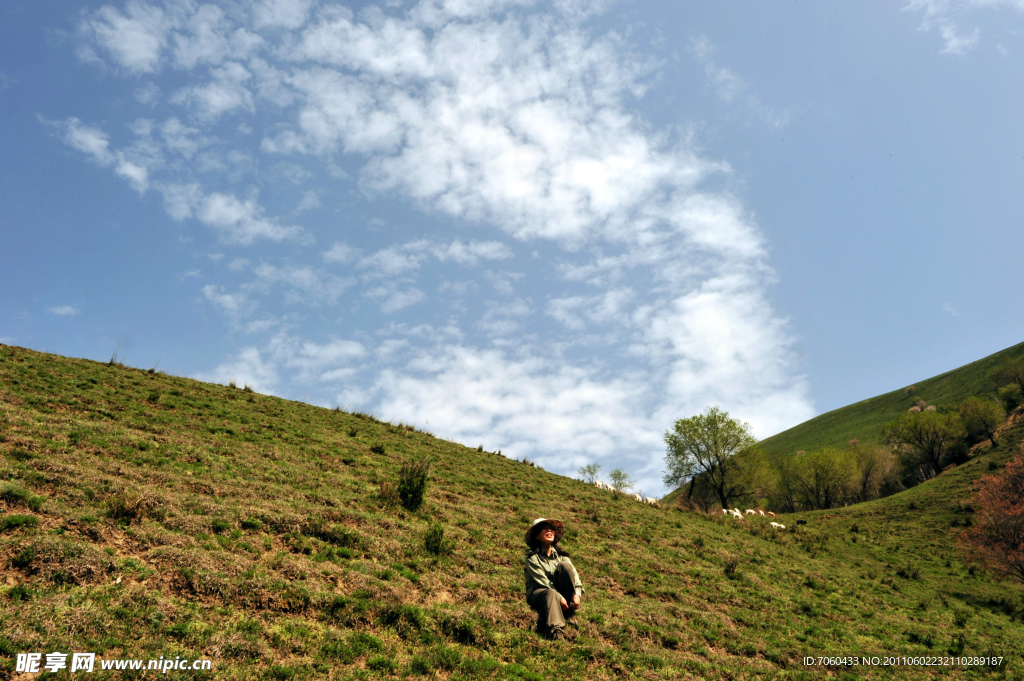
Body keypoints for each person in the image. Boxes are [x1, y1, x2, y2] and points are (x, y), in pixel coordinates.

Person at [523, 517, 585, 640]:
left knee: (565, 567)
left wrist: (577, 594)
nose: (549, 531)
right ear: (536, 536)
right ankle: (556, 631)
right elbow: (542, 581)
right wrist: (559, 597)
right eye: (544, 529)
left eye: (551, 529)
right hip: (539, 592)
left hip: (559, 593)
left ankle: (569, 609)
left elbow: (574, 575)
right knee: (550, 592)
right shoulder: (532, 557)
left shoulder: (562, 557)